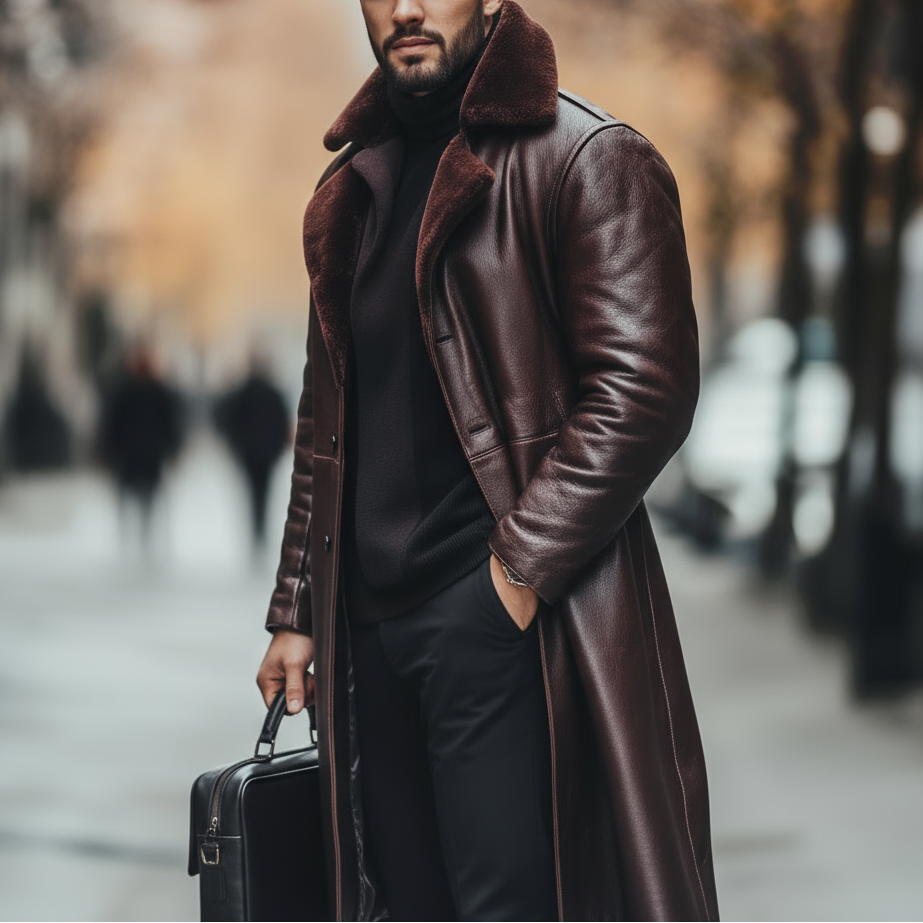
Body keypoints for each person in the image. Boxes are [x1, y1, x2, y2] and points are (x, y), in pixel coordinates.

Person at [257, 2, 719, 920]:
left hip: (506, 625)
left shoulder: (588, 159)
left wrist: (511, 574)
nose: (408, 8)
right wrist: (298, 609)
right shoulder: (350, 188)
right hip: (370, 639)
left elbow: (645, 388)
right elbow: (326, 423)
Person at [99, 345, 182, 546]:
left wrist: (108, 449)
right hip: (149, 452)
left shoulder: (125, 391)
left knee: (133, 494)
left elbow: (112, 424)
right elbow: (170, 424)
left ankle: (136, 531)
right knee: (146, 496)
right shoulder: (155, 391)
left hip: (133, 453)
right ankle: (143, 530)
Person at [215, 365, 291, 551]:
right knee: (265, 491)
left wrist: (236, 445)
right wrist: (279, 446)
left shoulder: (242, 394)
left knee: (252, 492)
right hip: (267, 453)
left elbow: (228, 420)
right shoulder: (273, 394)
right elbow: (282, 422)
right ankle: (261, 531)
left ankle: (255, 531)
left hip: (248, 452)